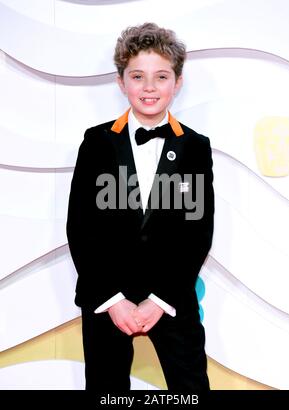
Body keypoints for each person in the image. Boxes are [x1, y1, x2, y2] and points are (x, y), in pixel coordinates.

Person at [66, 22, 214, 392]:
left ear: (177, 83)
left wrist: (160, 300)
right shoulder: (96, 142)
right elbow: (81, 228)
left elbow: (197, 231)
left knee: (191, 389)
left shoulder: (195, 147)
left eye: (161, 76)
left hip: (170, 296)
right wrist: (113, 300)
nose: (149, 87)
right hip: (107, 297)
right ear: (121, 82)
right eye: (138, 76)